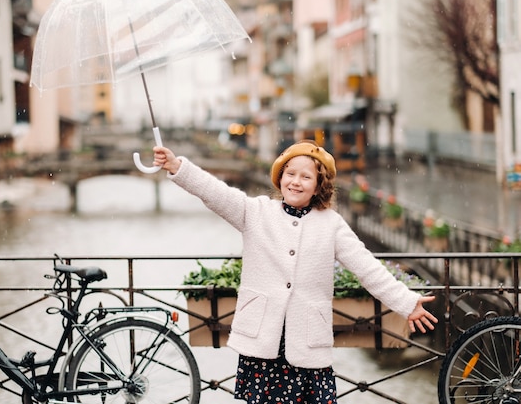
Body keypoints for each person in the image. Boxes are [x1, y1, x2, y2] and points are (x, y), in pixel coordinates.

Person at [152, 140, 437, 404]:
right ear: (280, 177)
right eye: (290, 173)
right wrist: (178, 166)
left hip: (306, 342)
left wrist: (406, 302)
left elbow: (367, 267)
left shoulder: (331, 224)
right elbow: (214, 192)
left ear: (318, 186)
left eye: (305, 177)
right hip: (264, 340)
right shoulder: (256, 212)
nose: (295, 182)